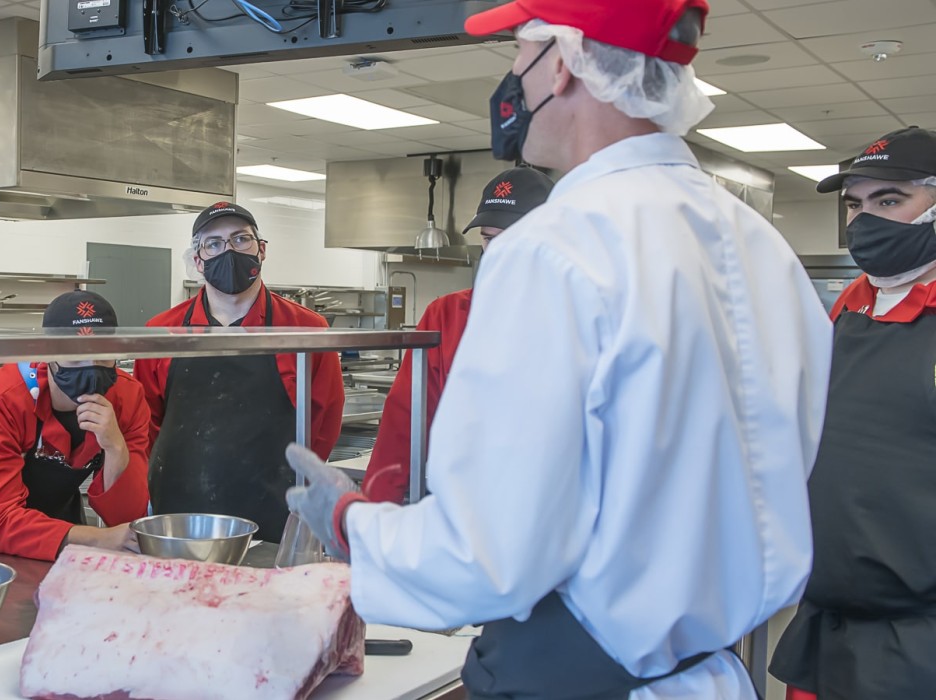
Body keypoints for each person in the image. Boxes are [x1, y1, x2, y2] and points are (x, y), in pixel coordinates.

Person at [283, 0, 833, 698]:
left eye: (518, 52)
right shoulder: (763, 249)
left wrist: (352, 524)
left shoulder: (557, 248)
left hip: (583, 679)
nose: (512, 78)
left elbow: (485, 554)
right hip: (707, 675)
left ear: (566, 63)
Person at [769, 127, 936, 700]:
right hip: (826, 625)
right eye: (856, 205)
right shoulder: (851, 303)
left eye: (890, 201)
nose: (865, 221)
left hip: (918, 643)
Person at [134, 202, 345, 542]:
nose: (228, 251)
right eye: (213, 244)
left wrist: (295, 486)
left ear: (261, 250)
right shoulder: (162, 331)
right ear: (198, 260)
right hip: (180, 513)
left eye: (240, 239)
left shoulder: (306, 328)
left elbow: (324, 419)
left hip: (275, 513)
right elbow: (146, 422)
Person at [362, 167, 553, 503]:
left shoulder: (580, 316)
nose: (497, 251)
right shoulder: (446, 315)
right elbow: (405, 420)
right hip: (460, 508)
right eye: (489, 238)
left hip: (551, 509)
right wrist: (372, 515)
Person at [0, 291, 148, 561]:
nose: (91, 368)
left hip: (62, 527)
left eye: (103, 355)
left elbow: (127, 516)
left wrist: (115, 446)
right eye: (74, 355)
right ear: (47, 353)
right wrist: (99, 538)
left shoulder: (128, 398)